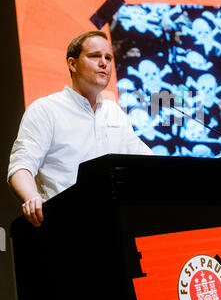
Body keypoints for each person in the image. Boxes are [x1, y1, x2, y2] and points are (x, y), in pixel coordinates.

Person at [7, 30, 152, 227]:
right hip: (65, 225)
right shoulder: (46, 109)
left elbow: (146, 162)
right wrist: (32, 197)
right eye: (95, 56)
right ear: (72, 64)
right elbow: (20, 166)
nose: (104, 63)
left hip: (117, 223)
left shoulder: (114, 111)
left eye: (108, 58)